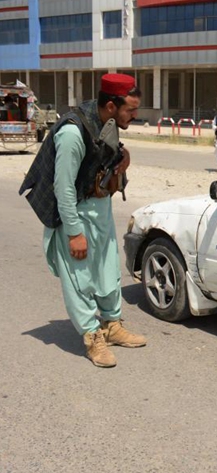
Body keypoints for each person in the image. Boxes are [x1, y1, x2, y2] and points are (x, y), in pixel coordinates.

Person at [18, 73, 146, 368]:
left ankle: (112, 326)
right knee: (80, 278)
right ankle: (92, 336)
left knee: (107, 270)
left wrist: (121, 165)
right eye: (131, 109)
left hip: (100, 210)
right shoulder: (73, 133)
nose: (135, 115)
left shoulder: (107, 124)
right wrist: (74, 232)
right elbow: (63, 188)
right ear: (111, 106)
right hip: (74, 212)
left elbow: (105, 164)